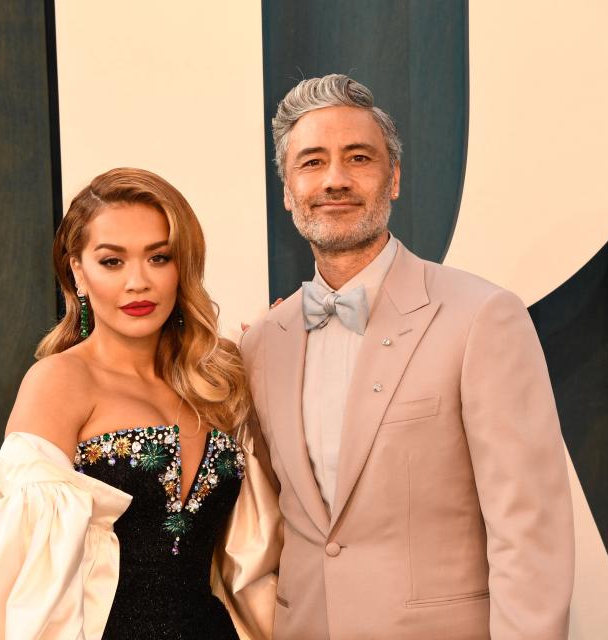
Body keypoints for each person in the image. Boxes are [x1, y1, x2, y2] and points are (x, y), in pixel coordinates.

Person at [240, 74, 574, 639]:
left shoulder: (482, 317)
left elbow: (529, 532)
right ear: (288, 191)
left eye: (359, 158)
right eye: (313, 162)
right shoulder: (262, 343)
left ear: (393, 179)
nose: (336, 180)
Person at [0, 167, 280, 640]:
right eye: (112, 262)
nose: (138, 282)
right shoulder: (59, 382)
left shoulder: (216, 380)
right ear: (78, 270)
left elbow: (264, 539)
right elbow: (27, 571)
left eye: (159, 257)